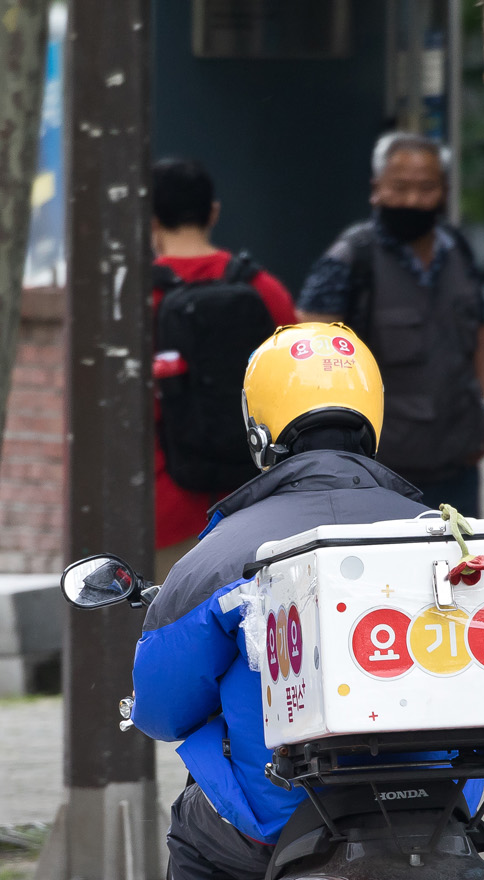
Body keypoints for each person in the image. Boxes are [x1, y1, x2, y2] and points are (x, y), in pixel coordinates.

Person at [130, 322, 430, 880]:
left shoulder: (222, 555)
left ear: (261, 429)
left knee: (195, 837)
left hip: (285, 811)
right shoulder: (437, 533)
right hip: (437, 793)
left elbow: (162, 710)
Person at [297, 133, 484, 516]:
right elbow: (309, 345)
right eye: (400, 187)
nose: (413, 201)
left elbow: (481, 333)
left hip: (457, 466)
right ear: (377, 190)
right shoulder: (351, 258)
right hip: (377, 475)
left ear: (444, 191)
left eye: (426, 188)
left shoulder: (458, 249)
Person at [150, 158, 298, 580]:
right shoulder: (263, 289)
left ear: (152, 219)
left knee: (177, 635)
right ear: (213, 212)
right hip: (256, 507)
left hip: (169, 511)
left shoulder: (137, 301)